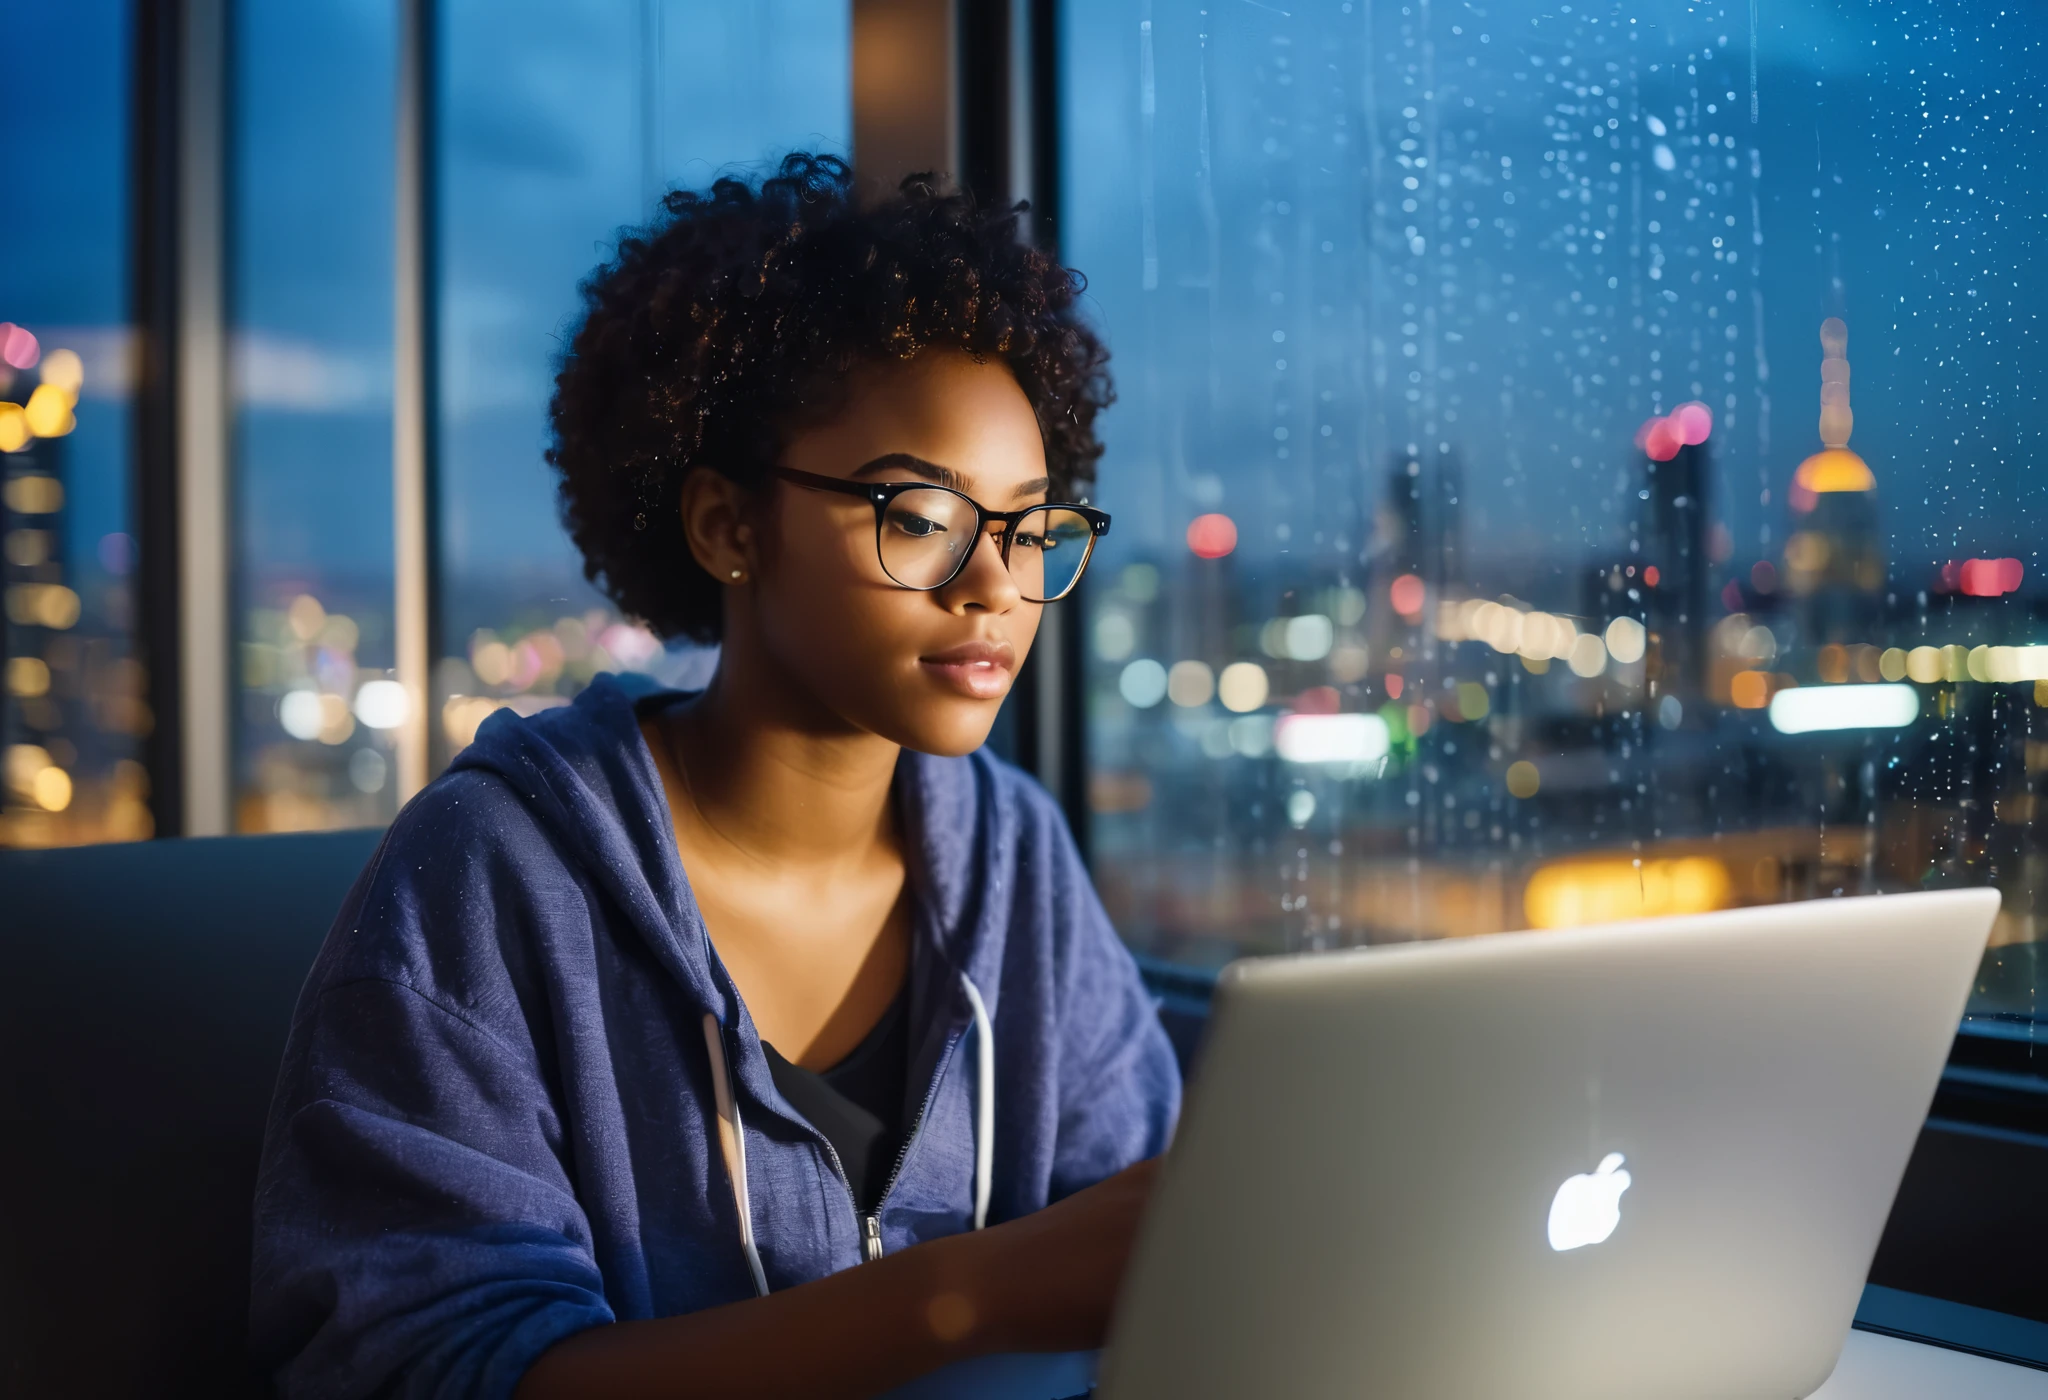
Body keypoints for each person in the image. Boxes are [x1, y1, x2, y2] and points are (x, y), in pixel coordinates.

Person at [248, 153, 1180, 1400]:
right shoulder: (494, 872)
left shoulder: (1014, 851)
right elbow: (431, 1368)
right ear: (727, 527)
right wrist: (960, 1297)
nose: (994, 584)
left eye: (1026, 523)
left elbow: (1149, 1236)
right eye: (918, 516)